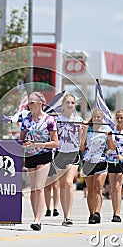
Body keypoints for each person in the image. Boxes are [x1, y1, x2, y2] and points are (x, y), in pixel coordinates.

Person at [20, 92, 58, 231]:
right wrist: (25, 144)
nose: (29, 105)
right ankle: (35, 216)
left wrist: (37, 144)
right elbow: (21, 140)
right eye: (29, 103)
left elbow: (55, 143)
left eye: (32, 103)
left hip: (44, 154)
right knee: (33, 189)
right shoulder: (26, 121)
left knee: (39, 187)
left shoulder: (49, 120)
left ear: (40, 103)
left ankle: (38, 220)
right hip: (30, 155)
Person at [52, 94, 83, 226]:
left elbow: (81, 142)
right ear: (63, 104)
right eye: (67, 102)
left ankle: (69, 215)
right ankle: (65, 216)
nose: (70, 105)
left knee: (69, 183)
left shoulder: (78, 119)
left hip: (73, 153)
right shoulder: (56, 120)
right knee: (62, 185)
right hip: (60, 154)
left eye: (72, 102)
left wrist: (85, 128)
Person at [80, 109, 115, 224]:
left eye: (98, 117)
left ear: (102, 118)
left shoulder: (107, 129)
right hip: (88, 162)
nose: (96, 119)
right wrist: (84, 130)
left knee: (98, 188)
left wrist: (109, 137)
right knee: (90, 190)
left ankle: (97, 213)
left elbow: (112, 147)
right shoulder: (88, 129)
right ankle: (91, 214)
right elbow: (81, 147)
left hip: (101, 161)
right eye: (94, 117)